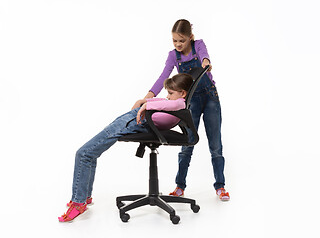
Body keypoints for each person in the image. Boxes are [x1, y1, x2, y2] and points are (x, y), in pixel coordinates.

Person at [58, 73, 194, 222]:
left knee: (84, 154)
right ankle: (84, 197)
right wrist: (144, 101)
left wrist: (146, 105)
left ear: (183, 93)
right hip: (135, 120)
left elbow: (171, 104)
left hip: (135, 122)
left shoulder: (179, 104)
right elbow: (164, 101)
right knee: (89, 153)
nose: (167, 96)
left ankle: (79, 203)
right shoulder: (175, 103)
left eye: (170, 93)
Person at [132, 19, 230, 201]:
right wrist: (146, 98)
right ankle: (180, 186)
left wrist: (206, 63)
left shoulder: (198, 46)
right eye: (174, 40)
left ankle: (221, 186)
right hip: (190, 102)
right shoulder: (173, 56)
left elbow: (204, 55)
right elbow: (163, 76)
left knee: (215, 145)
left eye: (182, 40)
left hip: (210, 99)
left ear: (190, 38)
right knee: (187, 143)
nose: (178, 44)